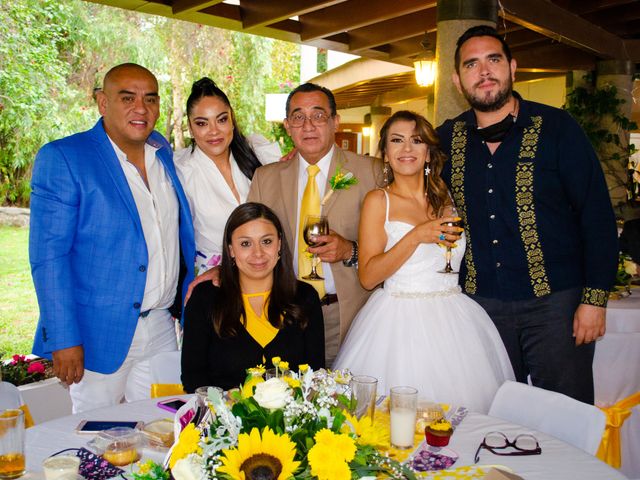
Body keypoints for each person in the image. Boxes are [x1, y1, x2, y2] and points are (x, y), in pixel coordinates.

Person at [437, 26, 618, 404]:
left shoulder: (558, 129)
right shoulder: (444, 140)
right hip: (479, 308)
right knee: (493, 419)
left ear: (512, 67)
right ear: (457, 80)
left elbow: (597, 216)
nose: (484, 71)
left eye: (493, 60)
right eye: (472, 64)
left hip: (557, 306)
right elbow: (393, 169)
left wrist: (594, 299)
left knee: (567, 418)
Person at [29, 63, 195, 413]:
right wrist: (64, 338)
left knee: (163, 427)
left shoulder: (163, 154)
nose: (141, 108)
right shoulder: (65, 158)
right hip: (97, 334)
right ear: (102, 102)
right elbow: (48, 258)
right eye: (127, 97)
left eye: (150, 99)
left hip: (163, 326)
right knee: (96, 435)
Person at [334, 111, 514, 413]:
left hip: (456, 324)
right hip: (399, 323)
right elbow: (367, 276)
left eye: (416, 141)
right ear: (386, 155)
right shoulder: (379, 201)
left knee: (464, 417)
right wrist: (416, 235)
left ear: (428, 152)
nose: (407, 149)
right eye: (397, 141)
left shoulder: (445, 199)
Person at [246, 83, 382, 366]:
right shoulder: (265, 178)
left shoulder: (370, 171)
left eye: (318, 116)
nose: (308, 125)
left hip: (350, 312)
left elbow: (393, 242)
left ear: (335, 122)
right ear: (287, 125)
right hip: (286, 313)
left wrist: (351, 251)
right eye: (298, 117)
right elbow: (249, 239)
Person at [181, 202, 325, 391]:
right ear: (231, 250)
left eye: (266, 241)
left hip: (291, 418)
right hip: (223, 416)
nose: (258, 253)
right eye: (245, 244)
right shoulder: (205, 298)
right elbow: (193, 378)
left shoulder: (305, 297)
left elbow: (315, 375)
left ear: (279, 244)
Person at [175, 77, 281, 274]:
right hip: (214, 277)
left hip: (266, 271)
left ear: (232, 120)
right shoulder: (181, 171)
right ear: (190, 128)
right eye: (202, 123)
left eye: (222, 119)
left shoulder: (258, 153)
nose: (214, 131)